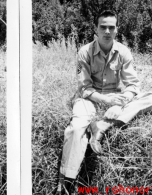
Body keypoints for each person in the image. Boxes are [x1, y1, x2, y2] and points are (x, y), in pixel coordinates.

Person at [57, 10, 152, 194]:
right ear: (96, 29)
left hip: (116, 97)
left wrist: (119, 104)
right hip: (90, 97)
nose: (107, 31)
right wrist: (106, 101)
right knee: (76, 128)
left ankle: (102, 126)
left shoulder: (123, 52)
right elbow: (84, 87)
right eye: (103, 27)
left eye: (111, 27)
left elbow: (133, 85)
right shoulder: (85, 52)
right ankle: (66, 183)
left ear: (117, 30)